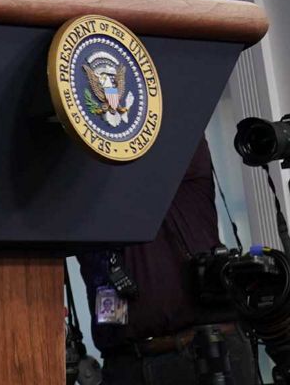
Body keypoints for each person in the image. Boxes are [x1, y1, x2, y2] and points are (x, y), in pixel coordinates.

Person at [79, 140, 261, 384]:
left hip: (198, 354)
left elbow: (123, 158)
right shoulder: (75, 184)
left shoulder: (175, 133)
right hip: (124, 363)